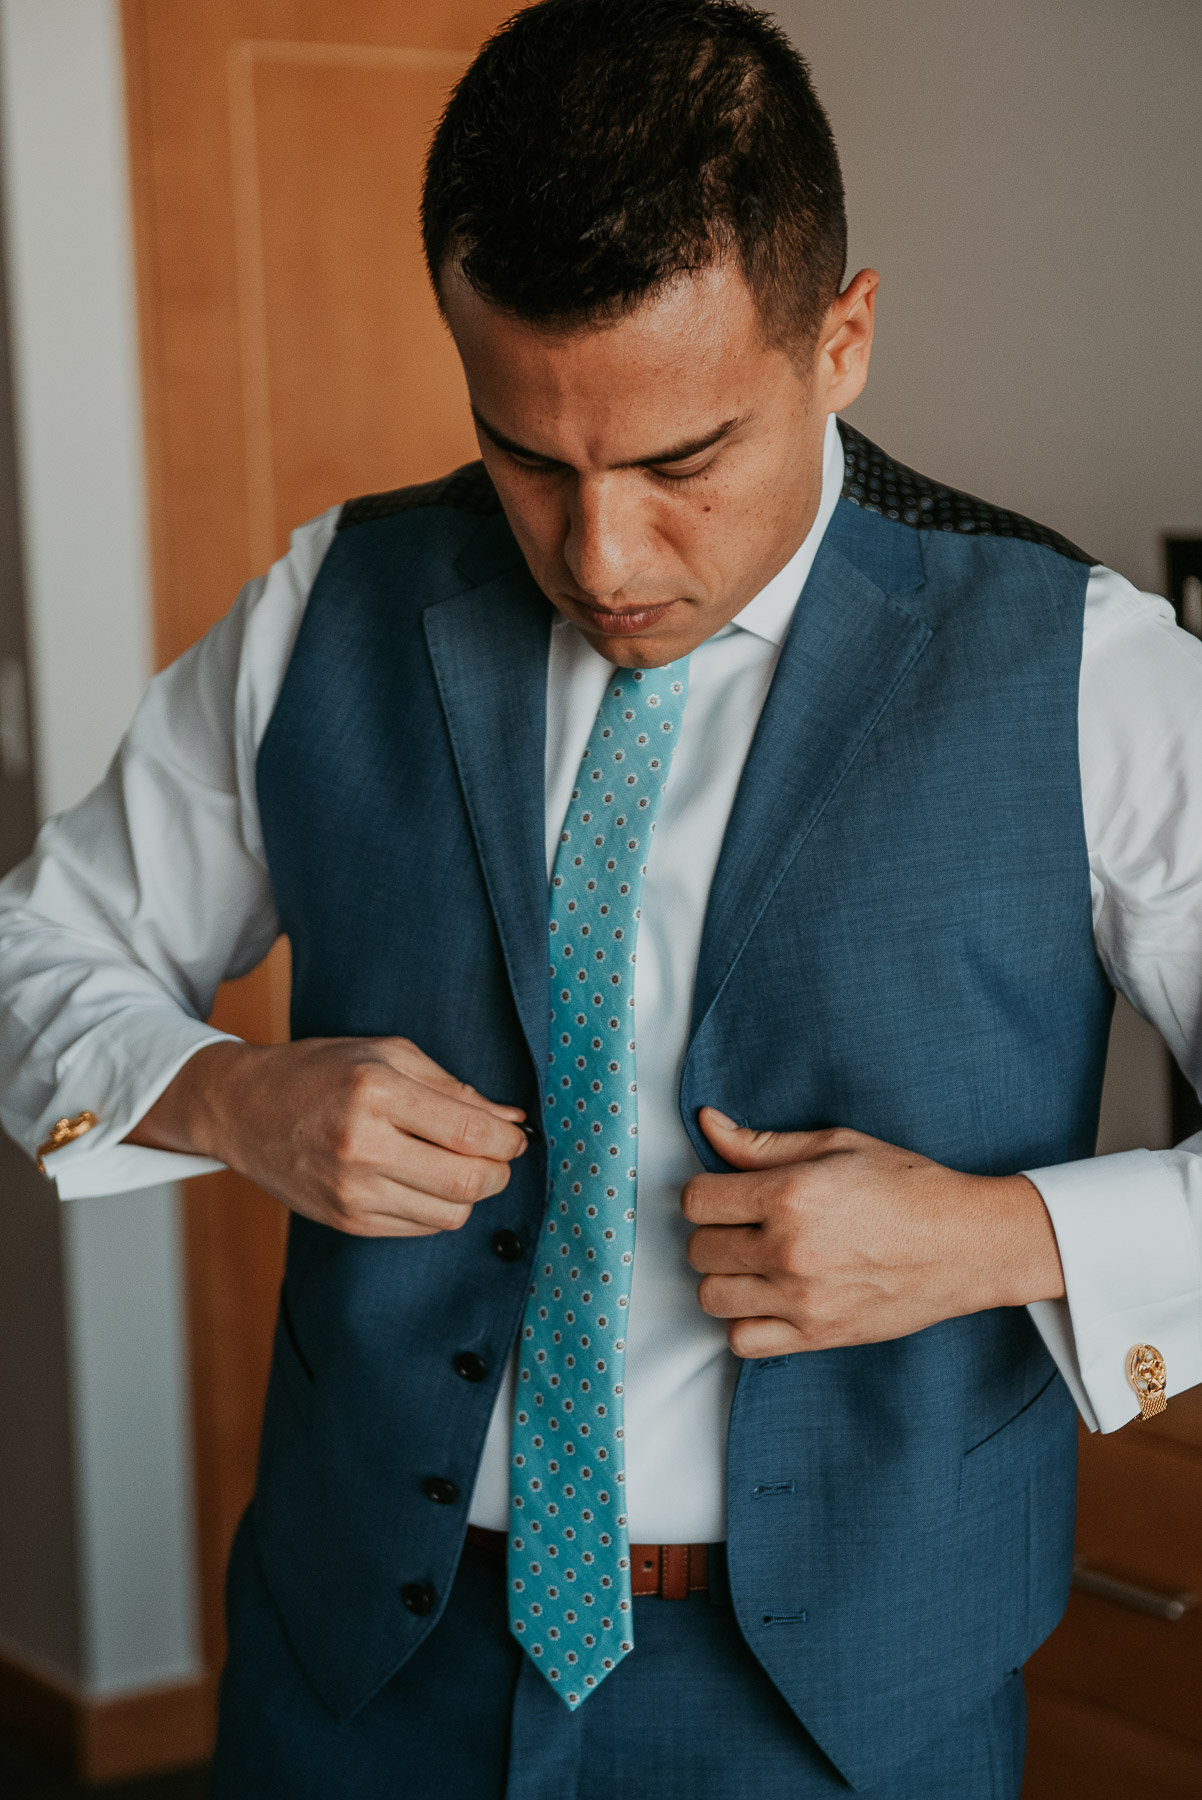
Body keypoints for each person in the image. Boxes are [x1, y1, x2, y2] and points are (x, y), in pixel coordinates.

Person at [1, 0, 1200, 1793]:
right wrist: (229, 1095)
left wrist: (993, 1240)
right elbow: (35, 946)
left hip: (848, 1705)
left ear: (843, 337)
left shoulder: (1088, 671)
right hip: (356, 1667)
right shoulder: (329, 601)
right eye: (526, 457)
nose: (602, 557)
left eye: (679, 460)